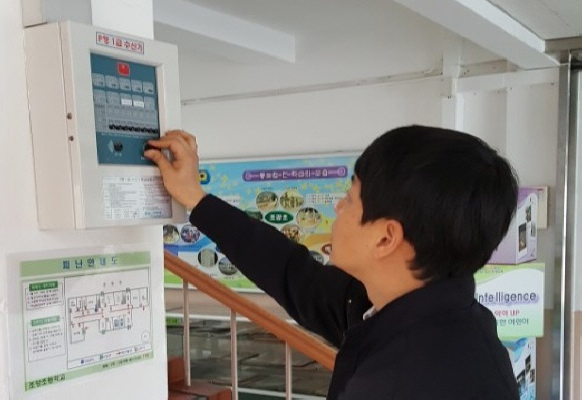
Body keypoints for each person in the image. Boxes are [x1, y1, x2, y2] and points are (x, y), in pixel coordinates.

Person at [145, 126, 520, 400]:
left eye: (350, 198)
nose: (338, 207)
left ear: (385, 238)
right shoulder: (415, 309)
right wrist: (195, 198)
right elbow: (290, 271)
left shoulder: (398, 382)